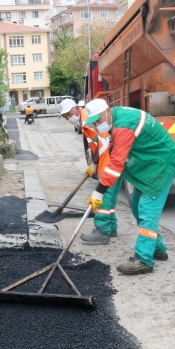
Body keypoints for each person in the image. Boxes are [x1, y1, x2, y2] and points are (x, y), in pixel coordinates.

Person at [84, 99, 175, 275]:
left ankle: (144, 260)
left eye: (99, 120)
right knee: (137, 207)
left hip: (162, 163)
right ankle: (158, 249)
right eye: (95, 123)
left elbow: (117, 162)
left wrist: (99, 191)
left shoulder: (124, 124)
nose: (98, 125)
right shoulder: (117, 118)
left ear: (107, 111)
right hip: (151, 163)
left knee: (147, 209)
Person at [58, 98, 120, 244]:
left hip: (109, 161)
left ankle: (102, 231)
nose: (68, 118)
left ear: (75, 108)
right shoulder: (86, 120)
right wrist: (94, 163)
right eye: (65, 116)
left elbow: (104, 142)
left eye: (68, 114)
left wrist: (100, 166)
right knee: (110, 197)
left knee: (101, 195)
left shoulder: (89, 120)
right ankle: (111, 228)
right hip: (112, 159)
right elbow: (99, 144)